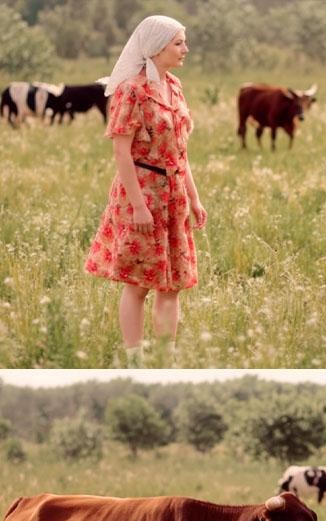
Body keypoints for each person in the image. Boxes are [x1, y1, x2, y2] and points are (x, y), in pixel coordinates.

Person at [85, 15, 207, 367]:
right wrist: (139, 206)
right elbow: (122, 152)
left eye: (183, 42)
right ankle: (135, 360)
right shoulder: (131, 90)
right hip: (142, 192)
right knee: (139, 283)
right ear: (157, 47)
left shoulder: (175, 86)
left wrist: (195, 198)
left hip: (175, 195)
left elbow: (179, 151)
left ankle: (165, 360)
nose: (186, 49)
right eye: (179, 43)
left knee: (172, 284)